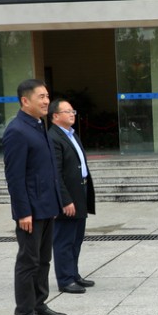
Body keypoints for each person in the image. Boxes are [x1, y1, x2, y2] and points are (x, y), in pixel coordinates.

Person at [2, 79, 68, 315]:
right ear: (25, 101)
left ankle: (40, 304)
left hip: (46, 206)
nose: (45, 101)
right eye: (40, 96)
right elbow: (15, 177)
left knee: (43, 260)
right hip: (30, 210)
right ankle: (25, 313)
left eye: (47, 96)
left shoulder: (39, 126)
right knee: (28, 261)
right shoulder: (17, 131)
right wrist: (23, 212)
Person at [48, 99, 96, 294]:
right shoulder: (53, 138)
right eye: (67, 111)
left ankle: (74, 274)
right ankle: (65, 279)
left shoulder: (72, 135)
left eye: (72, 110)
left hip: (80, 192)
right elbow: (55, 173)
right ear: (55, 116)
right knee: (64, 239)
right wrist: (65, 200)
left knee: (76, 238)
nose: (72, 114)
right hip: (68, 197)